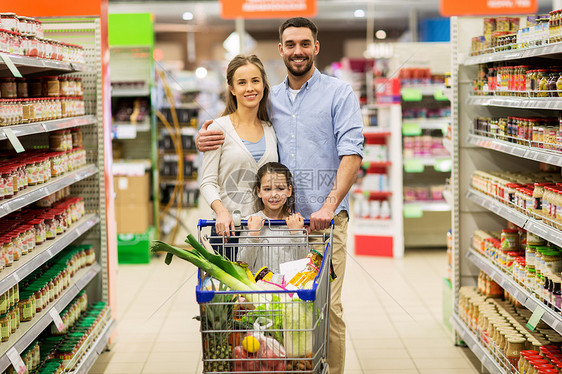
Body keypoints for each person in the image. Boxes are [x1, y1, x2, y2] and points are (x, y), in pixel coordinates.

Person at [196, 18, 363, 374]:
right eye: (290, 44)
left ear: (316, 47)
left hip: (320, 224)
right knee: (277, 307)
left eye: (305, 43)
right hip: (276, 227)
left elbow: (352, 153)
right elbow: (238, 123)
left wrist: (328, 206)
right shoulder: (274, 101)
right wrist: (203, 136)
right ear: (281, 50)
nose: (298, 51)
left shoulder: (339, 93)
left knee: (324, 306)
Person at [199, 54, 278, 260]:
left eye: (255, 81)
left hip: (264, 231)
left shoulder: (270, 129)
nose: (250, 88)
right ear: (232, 89)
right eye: (242, 82)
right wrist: (221, 212)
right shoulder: (218, 128)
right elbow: (207, 182)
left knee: (264, 291)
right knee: (231, 293)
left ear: (263, 85)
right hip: (229, 230)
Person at [238, 162, 307, 274]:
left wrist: (296, 234)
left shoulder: (296, 223)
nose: (274, 194)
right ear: (258, 191)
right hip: (259, 289)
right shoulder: (250, 222)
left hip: (289, 288)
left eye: (280, 188)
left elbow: (303, 266)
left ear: (289, 191)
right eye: (267, 189)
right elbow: (243, 266)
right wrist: (253, 236)